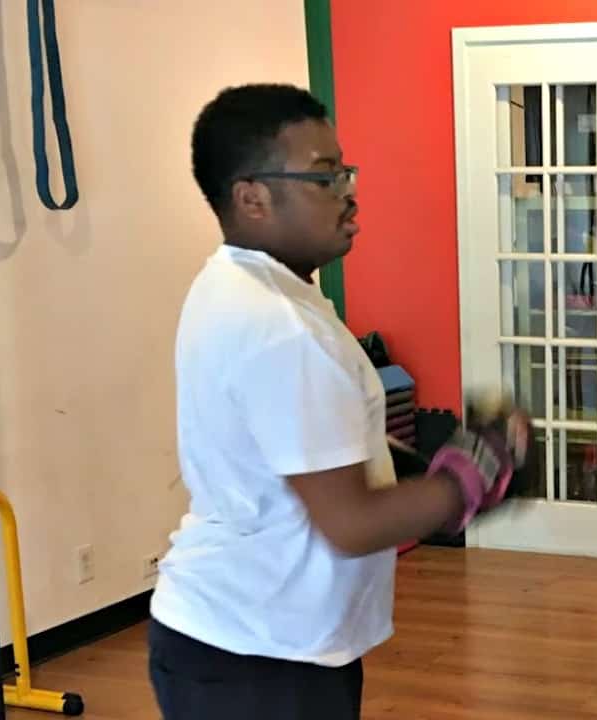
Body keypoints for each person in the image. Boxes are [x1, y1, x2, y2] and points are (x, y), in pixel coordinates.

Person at [148, 83, 528, 720]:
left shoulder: (244, 285)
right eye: (325, 177)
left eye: (346, 172)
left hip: (253, 638)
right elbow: (351, 525)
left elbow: (290, 447)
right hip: (255, 654)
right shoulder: (278, 324)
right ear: (252, 198)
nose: (349, 192)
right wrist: (468, 481)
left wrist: (409, 464)